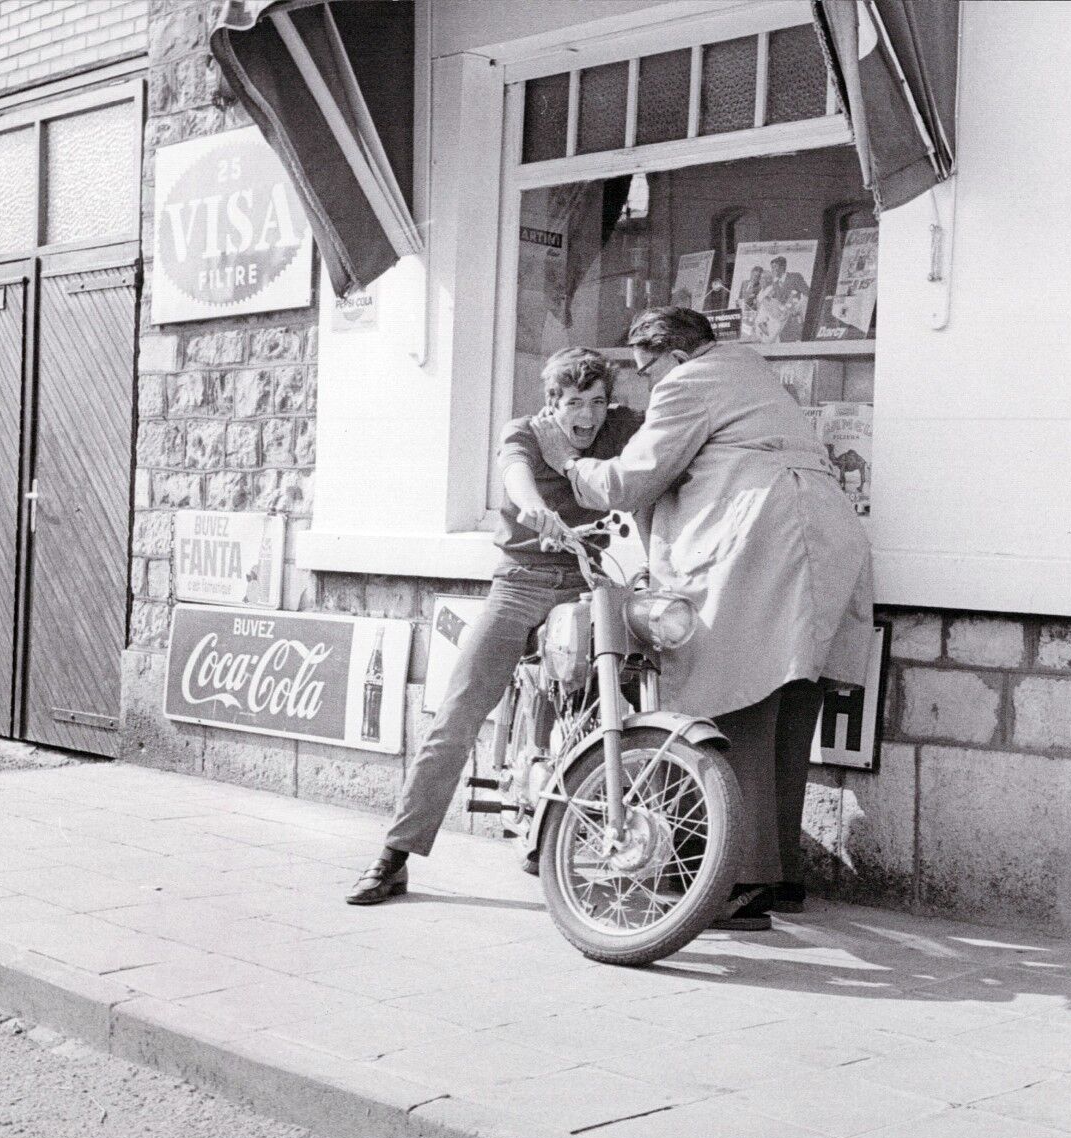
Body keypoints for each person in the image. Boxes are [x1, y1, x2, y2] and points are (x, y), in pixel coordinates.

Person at [531, 306, 873, 930]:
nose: (645, 384)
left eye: (646, 369)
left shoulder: (689, 383)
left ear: (677, 357)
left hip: (761, 534)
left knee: (730, 697)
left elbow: (630, 482)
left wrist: (567, 462)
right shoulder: (755, 373)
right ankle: (781, 875)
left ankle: (737, 885)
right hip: (826, 535)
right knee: (789, 710)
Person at [346, 348, 644, 905]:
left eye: (598, 402)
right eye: (575, 402)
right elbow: (515, 476)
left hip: (595, 578)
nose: (588, 415)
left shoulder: (624, 427)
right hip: (523, 579)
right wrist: (532, 507)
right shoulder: (525, 432)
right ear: (552, 403)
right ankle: (395, 855)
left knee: (619, 707)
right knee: (458, 713)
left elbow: (659, 463)